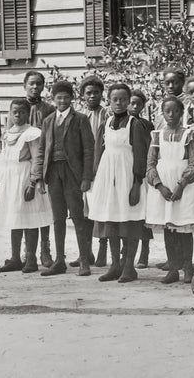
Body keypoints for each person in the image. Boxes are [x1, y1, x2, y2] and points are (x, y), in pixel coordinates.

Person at [85, 83, 151, 283]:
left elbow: (141, 156)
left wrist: (136, 184)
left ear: (129, 101)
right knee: (111, 220)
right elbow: (99, 153)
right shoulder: (106, 123)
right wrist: (97, 179)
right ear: (110, 101)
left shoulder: (135, 124)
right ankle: (115, 265)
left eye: (124, 99)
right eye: (115, 99)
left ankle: (129, 267)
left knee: (129, 221)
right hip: (108, 178)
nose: (120, 103)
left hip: (128, 178)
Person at [145, 96, 194, 285]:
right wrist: (159, 185)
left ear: (182, 113)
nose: (171, 115)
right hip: (163, 187)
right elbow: (150, 164)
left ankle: (187, 267)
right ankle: (173, 268)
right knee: (168, 229)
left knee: (183, 228)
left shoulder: (190, 134)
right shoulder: (157, 135)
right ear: (162, 113)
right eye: (167, 111)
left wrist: (181, 184)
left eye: (176, 111)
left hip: (185, 187)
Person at [39, 80, 96, 277]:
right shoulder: (48, 121)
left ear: (71, 99)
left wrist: (86, 177)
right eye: (58, 97)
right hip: (53, 172)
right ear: (53, 99)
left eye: (66, 97)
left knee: (78, 217)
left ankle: (84, 260)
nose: (62, 100)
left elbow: (89, 150)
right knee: (58, 218)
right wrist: (39, 177)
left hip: (73, 173)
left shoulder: (80, 119)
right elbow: (41, 150)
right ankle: (60, 260)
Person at [0, 98, 53, 274]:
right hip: (10, 179)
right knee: (14, 218)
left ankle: (31, 258)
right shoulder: (8, 133)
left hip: (25, 178)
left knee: (29, 219)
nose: (18, 115)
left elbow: (36, 158)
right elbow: (3, 159)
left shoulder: (33, 133)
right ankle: (14, 258)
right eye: (14, 112)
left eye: (21, 112)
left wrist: (33, 183)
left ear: (28, 114)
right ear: (10, 114)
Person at [22, 70, 56, 268]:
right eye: (31, 84)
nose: (35, 87)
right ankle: (29, 254)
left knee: (44, 208)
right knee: (27, 209)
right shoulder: (18, 108)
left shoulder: (49, 109)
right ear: (24, 85)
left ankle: (45, 251)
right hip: (24, 165)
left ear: (43, 87)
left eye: (39, 84)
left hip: (43, 163)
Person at [77, 75, 109, 269]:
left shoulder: (106, 115)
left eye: (96, 92)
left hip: (102, 168)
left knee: (102, 210)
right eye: (88, 93)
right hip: (83, 169)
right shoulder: (79, 116)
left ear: (101, 94)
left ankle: (102, 249)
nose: (92, 96)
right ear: (82, 96)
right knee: (84, 212)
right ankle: (85, 251)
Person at [128, 90, 156, 268]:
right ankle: (127, 252)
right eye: (132, 103)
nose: (135, 107)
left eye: (139, 104)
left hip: (142, 173)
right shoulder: (121, 123)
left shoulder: (147, 125)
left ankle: (144, 252)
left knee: (142, 214)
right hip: (124, 171)